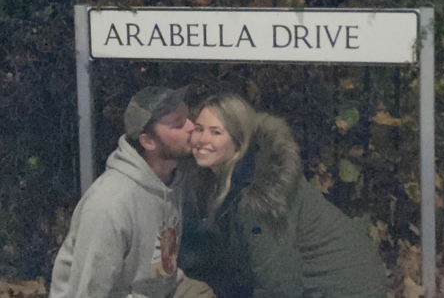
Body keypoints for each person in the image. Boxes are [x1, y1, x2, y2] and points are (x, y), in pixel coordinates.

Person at [179, 93, 388, 298]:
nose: (202, 139)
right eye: (199, 129)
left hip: (342, 288)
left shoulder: (259, 196)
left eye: (216, 132)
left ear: (239, 141)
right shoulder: (219, 178)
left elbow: (279, 284)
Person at [49, 86, 216, 298]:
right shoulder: (109, 203)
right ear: (148, 141)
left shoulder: (173, 179)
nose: (192, 127)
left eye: (188, 118)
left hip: (161, 288)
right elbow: (88, 289)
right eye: (178, 124)